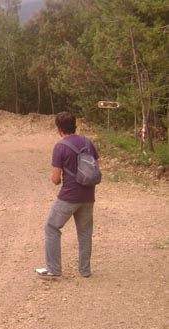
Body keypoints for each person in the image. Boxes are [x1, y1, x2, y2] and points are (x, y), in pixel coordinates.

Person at [36, 112, 99, 277]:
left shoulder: (60, 146)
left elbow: (56, 179)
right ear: (74, 125)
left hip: (69, 196)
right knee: (85, 232)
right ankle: (85, 270)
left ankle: (54, 269)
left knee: (52, 226)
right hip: (88, 195)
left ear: (59, 128)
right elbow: (95, 167)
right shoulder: (87, 142)